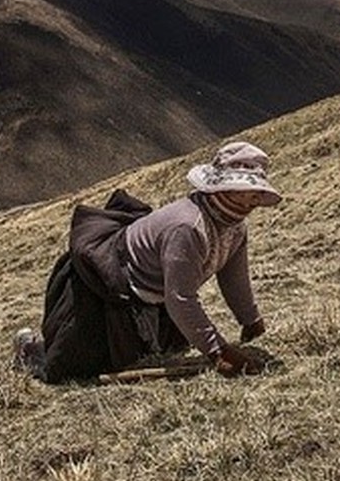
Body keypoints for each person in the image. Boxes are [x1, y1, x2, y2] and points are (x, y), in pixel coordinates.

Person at [15, 141, 280, 383]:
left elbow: (233, 277)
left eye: (256, 191)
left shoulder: (234, 228)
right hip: (104, 282)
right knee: (73, 367)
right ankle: (28, 350)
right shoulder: (187, 228)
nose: (253, 199)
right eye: (245, 190)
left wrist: (249, 319)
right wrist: (217, 351)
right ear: (224, 189)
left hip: (150, 294)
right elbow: (180, 298)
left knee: (152, 351)